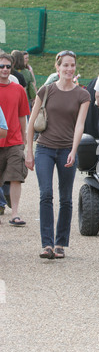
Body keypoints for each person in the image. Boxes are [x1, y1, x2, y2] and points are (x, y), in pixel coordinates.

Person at [25, 50, 90, 260]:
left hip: (66, 150)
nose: (69, 69)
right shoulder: (46, 90)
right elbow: (31, 124)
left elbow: (80, 125)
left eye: (72, 65)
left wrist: (74, 149)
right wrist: (29, 151)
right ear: (58, 67)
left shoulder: (83, 95)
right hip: (44, 148)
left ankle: (61, 242)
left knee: (66, 198)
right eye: (65, 65)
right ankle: (47, 244)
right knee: (45, 194)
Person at [0, 53, 30, 226]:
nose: (4, 69)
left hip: (14, 140)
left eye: (7, 66)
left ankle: (15, 214)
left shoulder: (18, 89)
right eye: (1, 66)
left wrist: (24, 137)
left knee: (16, 176)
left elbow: (22, 115)